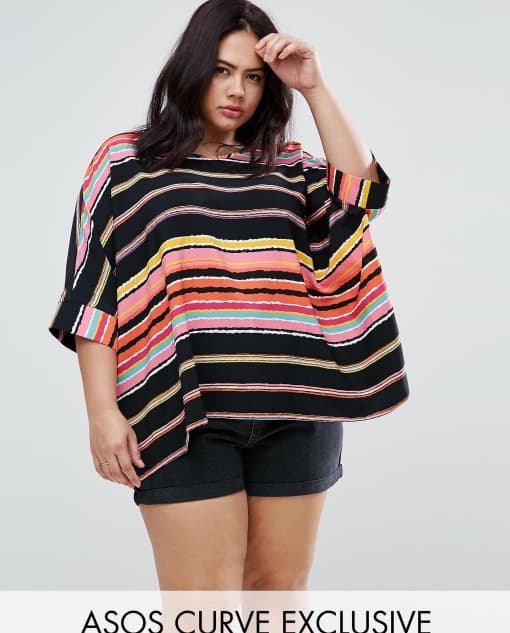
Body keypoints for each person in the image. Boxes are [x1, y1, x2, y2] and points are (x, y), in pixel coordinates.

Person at [48, 0, 409, 592]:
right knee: (198, 606)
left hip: (296, 406)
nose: (237, 90)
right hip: (181, 407)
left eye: (254, 77)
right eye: (221, 70)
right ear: (191, 68)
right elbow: (94, 293)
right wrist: (102, 412)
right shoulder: (125, 163)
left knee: (278, 597)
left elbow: (362, 196)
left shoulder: (291, 166)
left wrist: (315, 87)